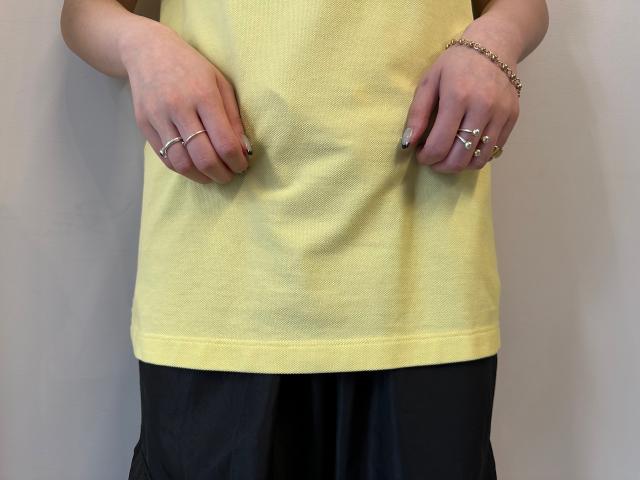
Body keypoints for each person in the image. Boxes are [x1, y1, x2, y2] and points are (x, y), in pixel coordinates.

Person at [60, 0, 548, 478]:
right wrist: (143, 46)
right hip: (221, 294)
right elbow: (83, 11)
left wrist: (493, 44)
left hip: (425, 289)